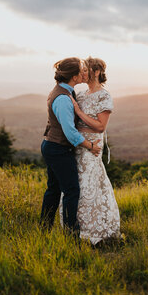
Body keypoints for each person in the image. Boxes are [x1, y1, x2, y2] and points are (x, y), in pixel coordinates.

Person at [40, 57, 101, 236]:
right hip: (58, 149)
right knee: (71, 191)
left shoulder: (63, 91)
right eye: (81, 70)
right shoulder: (63, 99)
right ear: (74, 76)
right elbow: (70, 132)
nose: (84, 72)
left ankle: (44, 229)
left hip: (52, 145)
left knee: (53, 189)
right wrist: (90, 145)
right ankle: (71, 235)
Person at [63, 57, 121, 245]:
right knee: (75, 185)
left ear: (96, 72)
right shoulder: (80, 94)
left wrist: (79, 113)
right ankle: (73, 228)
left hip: (92, 146)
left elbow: (100, 126)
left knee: (89, 184)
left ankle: (95, 230)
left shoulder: (104, 96)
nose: (83, 74)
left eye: (86, 70)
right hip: (77, 145)